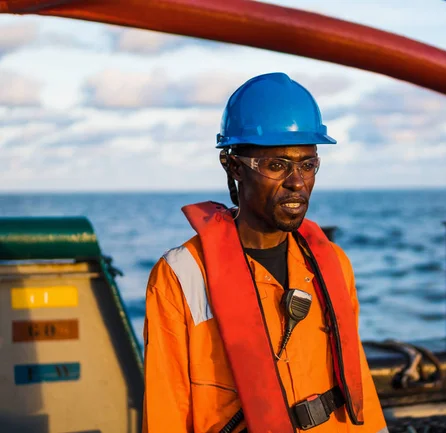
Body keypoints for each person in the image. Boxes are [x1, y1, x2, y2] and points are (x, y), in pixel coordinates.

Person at [142, 72, 388, 433]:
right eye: (277, 165)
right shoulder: (181, 276)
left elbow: (359, 384)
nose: (297, 182)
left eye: (307, 164)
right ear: (234, 167)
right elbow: (165, 411)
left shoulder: (332, 263)